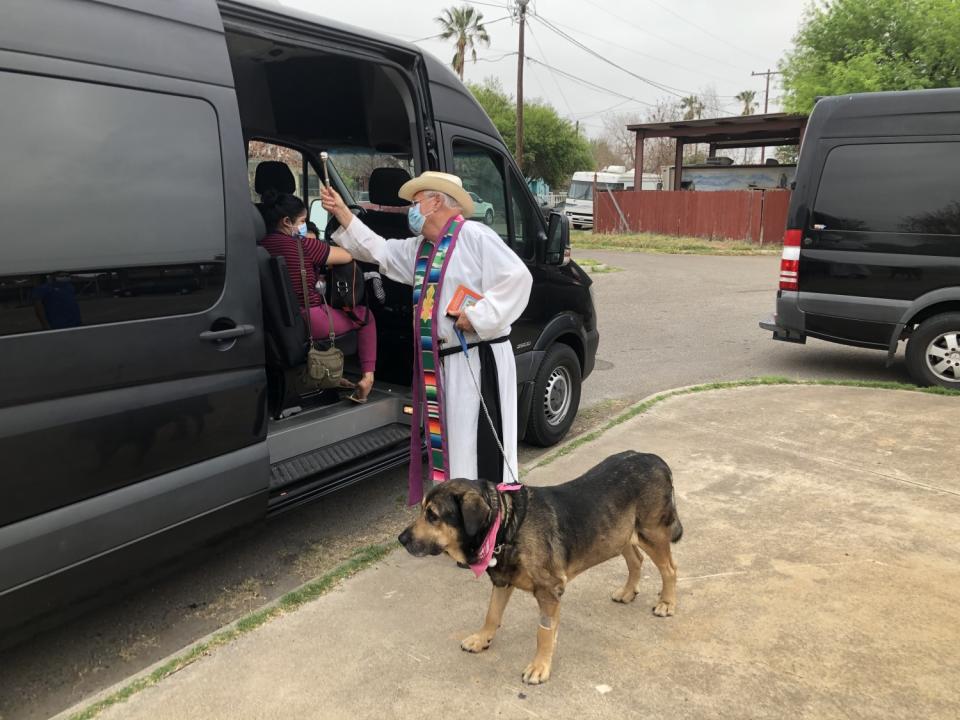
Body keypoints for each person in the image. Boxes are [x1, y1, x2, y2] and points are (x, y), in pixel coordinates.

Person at [320, 171, 533, 503]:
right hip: (445, 364)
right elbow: (379, 250)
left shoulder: (474, 236)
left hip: (477, 358)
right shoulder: (422, 250)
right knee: (454, 442)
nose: (411, 210)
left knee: (478, 443)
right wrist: (342, 213)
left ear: (436, 202)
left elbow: (517, 278)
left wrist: (477, 317)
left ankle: (490, 518)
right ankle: (461, 516)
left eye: (416, 202)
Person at [259, 190, 376, 403]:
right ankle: (368, 378)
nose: (304, 226)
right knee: (364, 317)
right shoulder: (303, 245)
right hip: (312, 319)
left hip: (281, 322)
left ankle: (331, 375)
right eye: (303, 221)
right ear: (287, 222)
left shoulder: (261, 246)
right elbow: (347, 255)